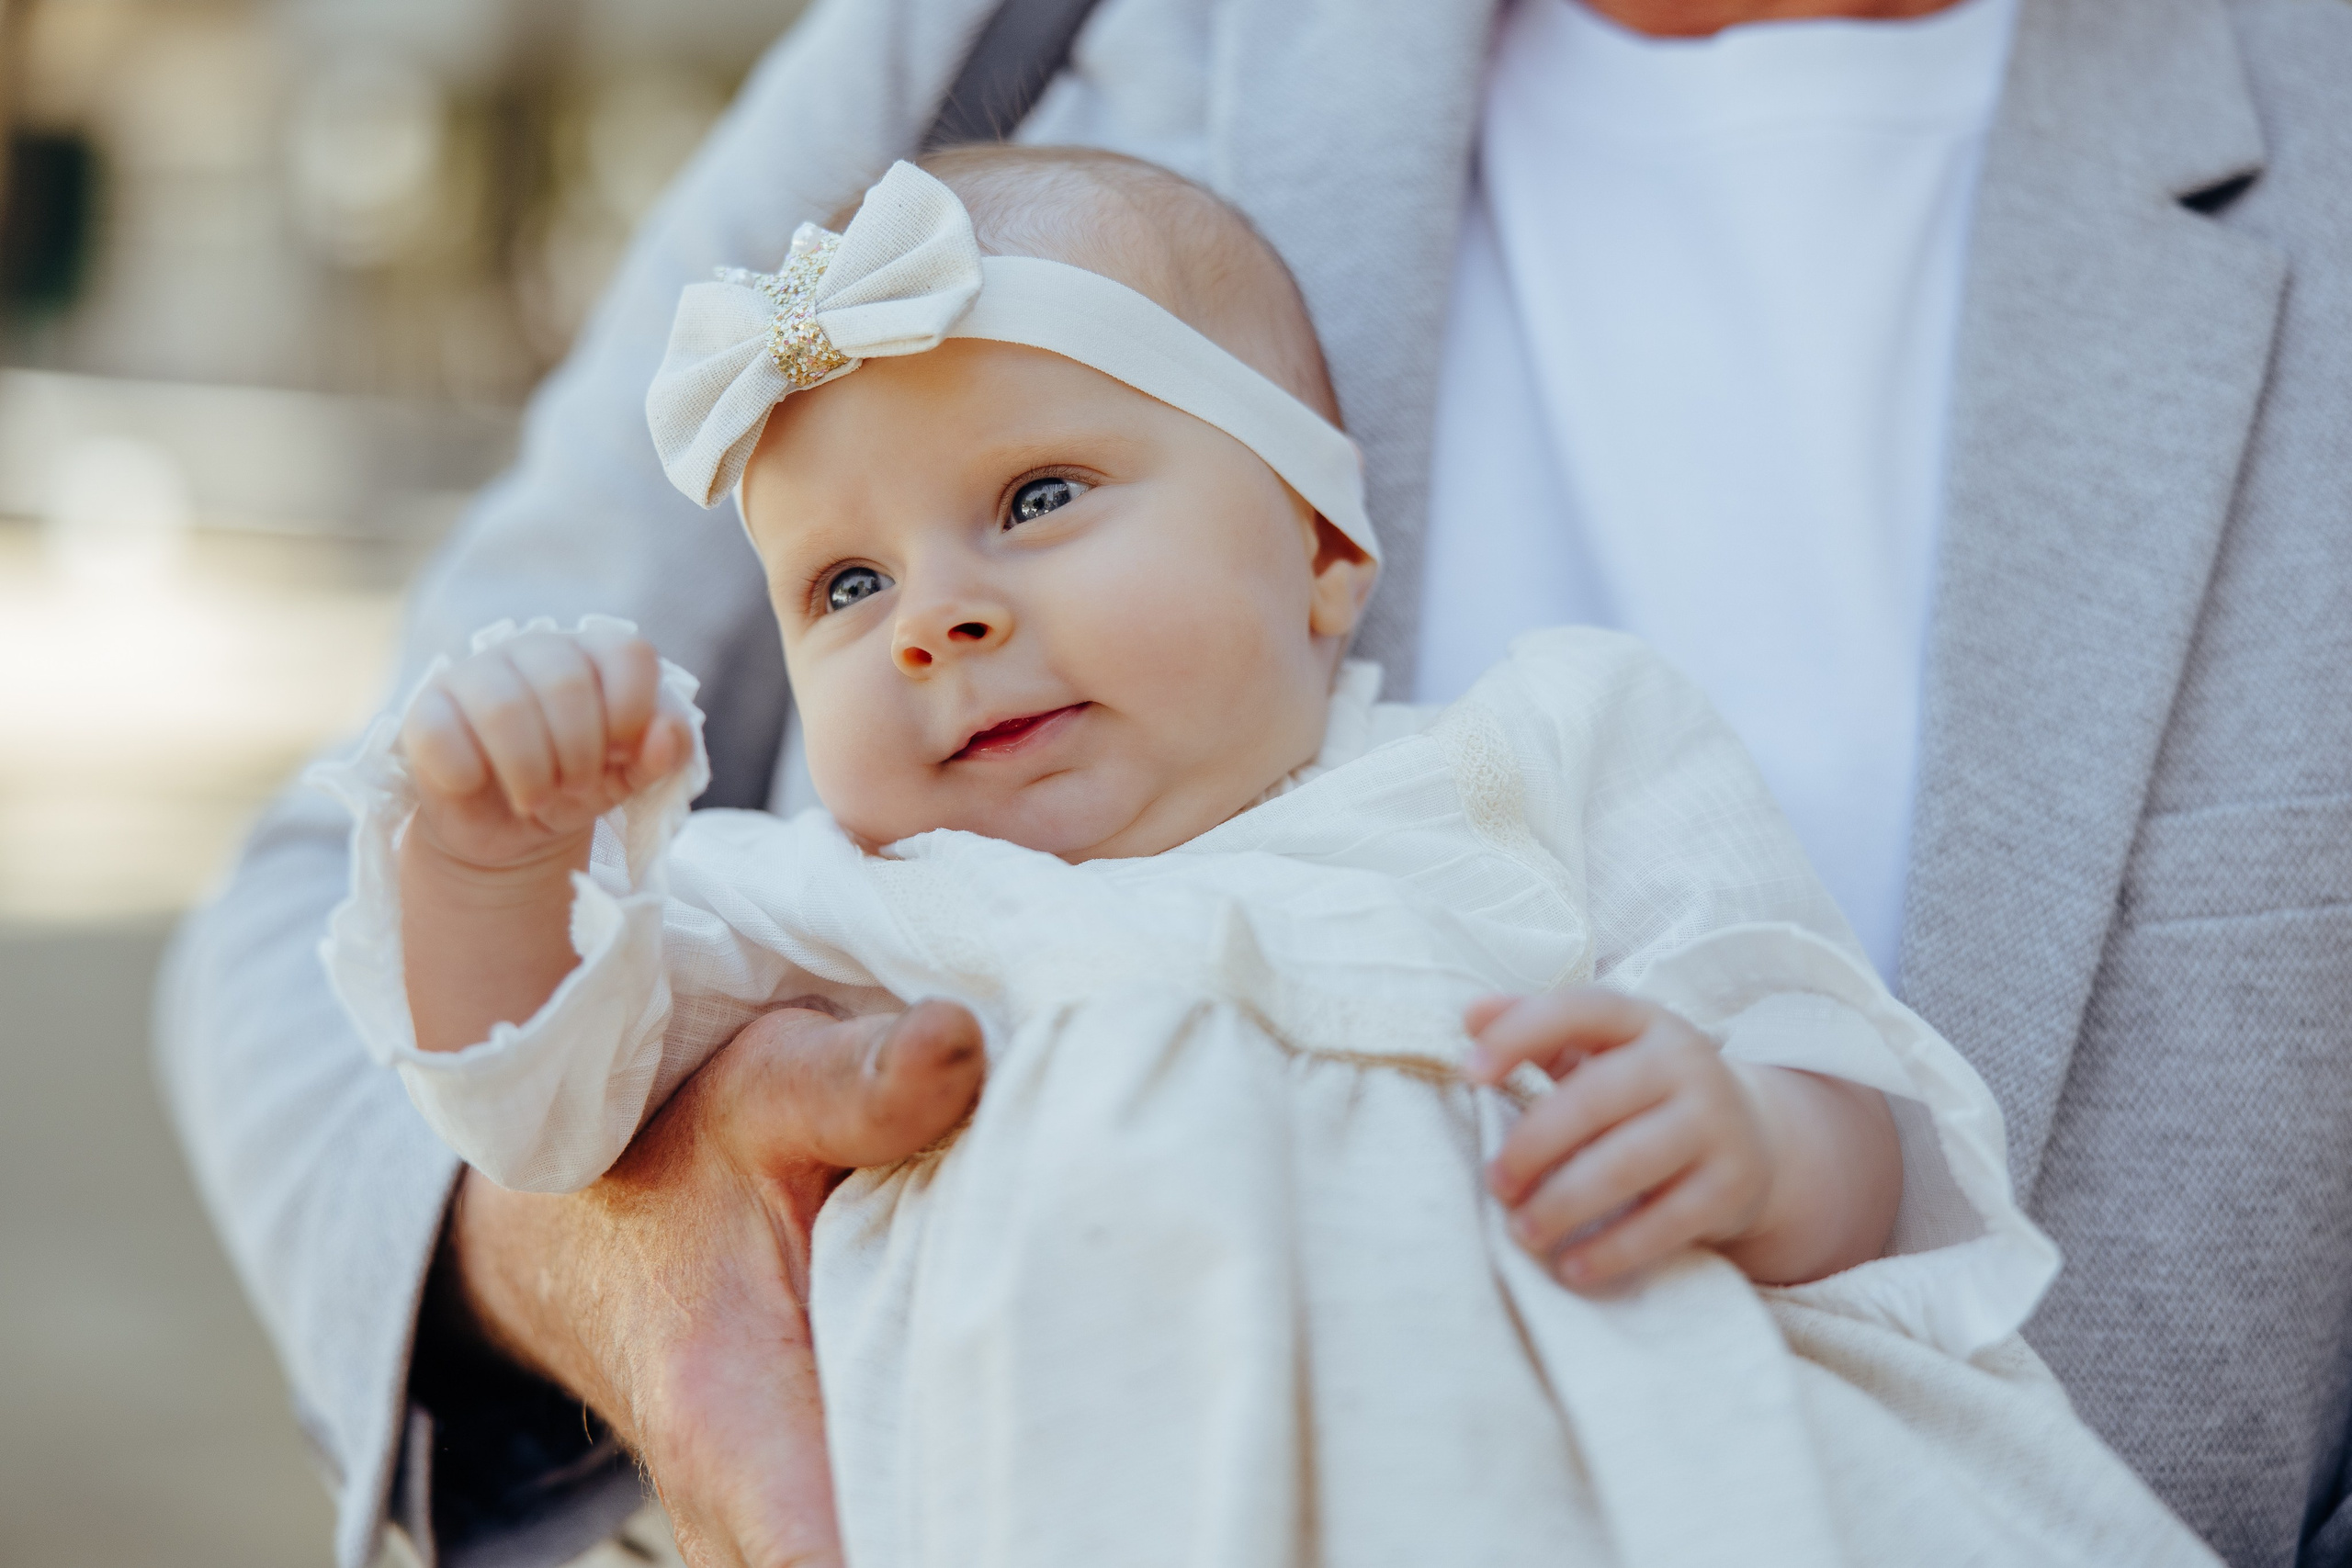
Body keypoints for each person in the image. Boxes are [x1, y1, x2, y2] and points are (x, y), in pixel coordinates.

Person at [153, 0, 2352, 1564]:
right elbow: (483, 1075)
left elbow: (1829, 1072)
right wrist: (499, 858)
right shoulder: (836, 900)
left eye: (1031, 498)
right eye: (837, 583)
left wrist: (1755, 1135)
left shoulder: (1529, 769)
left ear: (1330, 553)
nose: (928, 617)